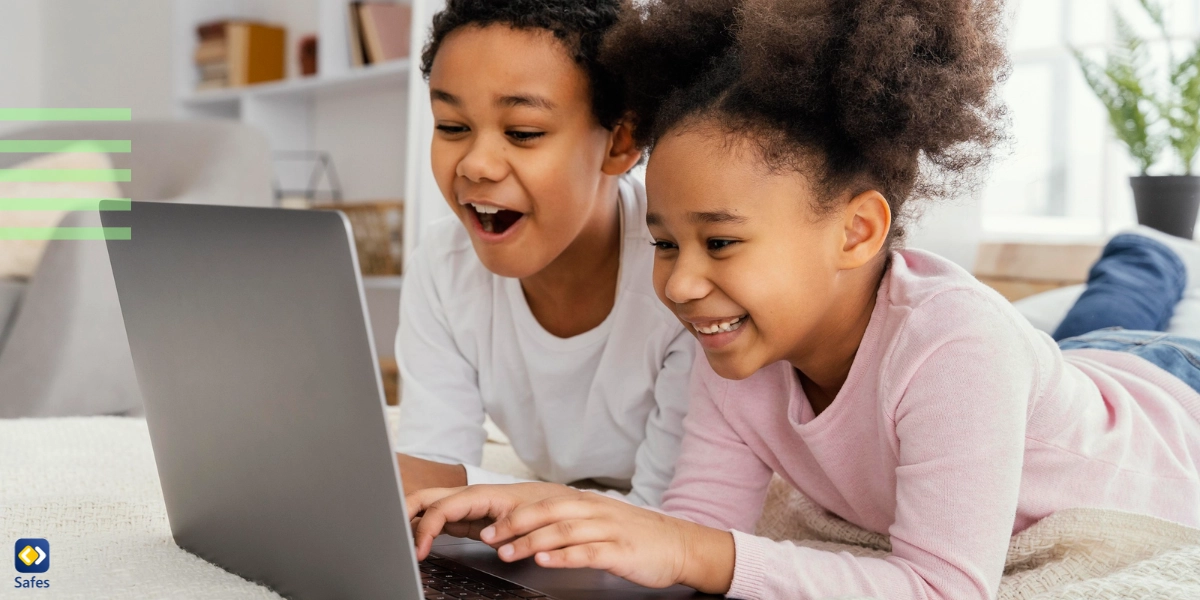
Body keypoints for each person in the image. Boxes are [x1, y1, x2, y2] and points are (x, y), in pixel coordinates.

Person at [403, 0, 1200, 598]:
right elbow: (690, 532)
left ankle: (1154, 252)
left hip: (1165, 397)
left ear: (856, 233)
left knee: (1119, 324)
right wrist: (549, 521)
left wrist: (692, 553)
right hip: (1058, 378)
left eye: (719, 243)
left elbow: (941, 587)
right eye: (665, 242)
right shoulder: (732, 348)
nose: (679, 285)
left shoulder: (958, 345)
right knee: (1073, 340)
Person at [393, 0, 695, 508]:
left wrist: (470, 491)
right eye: (451, 126)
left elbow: (669, 525)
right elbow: (429, 478)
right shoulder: (443, 268)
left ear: (621, 141)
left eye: (523, 133)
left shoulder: (684, 279)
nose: (477, 165)